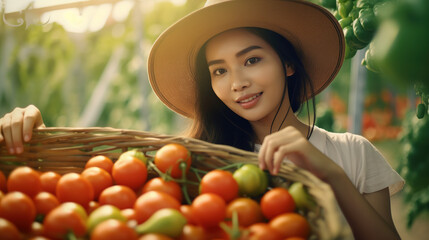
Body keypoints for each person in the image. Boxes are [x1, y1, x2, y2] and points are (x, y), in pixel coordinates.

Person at [0, 0, 403, 239]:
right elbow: (120, 185)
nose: (238, 83)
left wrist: (331, 174)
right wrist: (31, 125)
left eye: (252, 59)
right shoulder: (200, 165)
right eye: (219, 70)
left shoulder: (354, 154)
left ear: (289, 64)